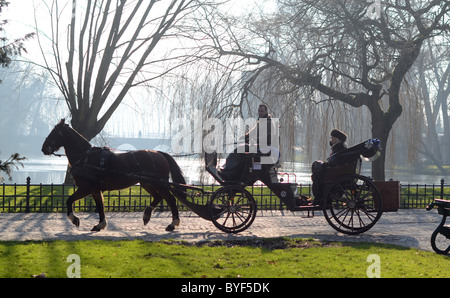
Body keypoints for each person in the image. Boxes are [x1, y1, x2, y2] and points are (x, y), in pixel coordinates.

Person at [219, 104, 277, 181]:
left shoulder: (268, 123)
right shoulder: (261, 121)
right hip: (260, 147)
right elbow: (253, 132)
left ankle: (228, 170)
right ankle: (232, 172)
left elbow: (265, 138)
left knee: (238, 151)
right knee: (241, 152)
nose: (260, 113)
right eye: (259, 111)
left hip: (264, 148)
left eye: (262, 111)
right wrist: (245, 137)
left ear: (266, 111)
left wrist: (250, 140)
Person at [299, 129, 348, 205]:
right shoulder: (341, 148)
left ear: (336, 139)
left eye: (332, 138)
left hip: (334, 172)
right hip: (337, 170)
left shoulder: (338, 148)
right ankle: (322, 198)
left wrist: (325, 165)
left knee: (316, 175)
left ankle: (319, 198)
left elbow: (334, 162)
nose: (331, 139)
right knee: (317, 171)